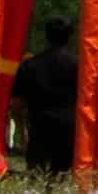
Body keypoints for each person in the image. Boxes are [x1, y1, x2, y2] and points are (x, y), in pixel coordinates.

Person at [11, 18, 78, 175]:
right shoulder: (78, 66)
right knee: (64, 182)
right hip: (69, 133)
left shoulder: (29, 65)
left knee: (38, 180)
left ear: (46, 36)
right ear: (70, 37)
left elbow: (16, 105)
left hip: (39, 131)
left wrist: (23, 134)